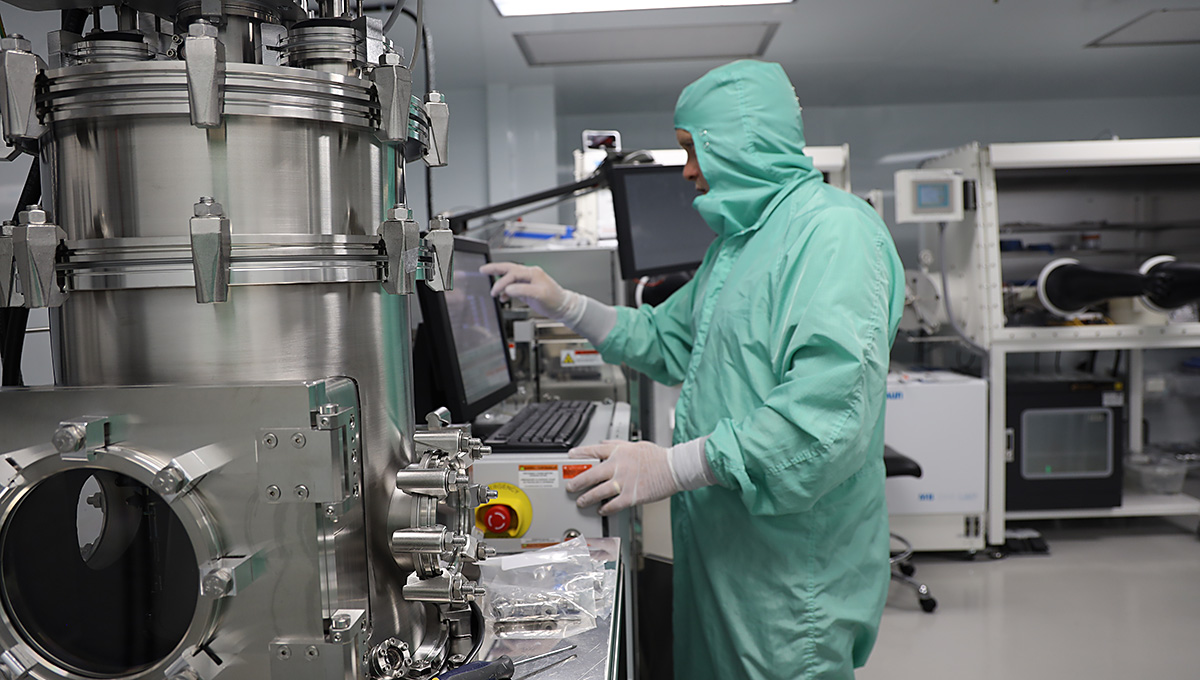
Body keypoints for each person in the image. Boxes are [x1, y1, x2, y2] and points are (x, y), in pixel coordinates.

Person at [481, 59, 905, 680]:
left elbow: (826, 423)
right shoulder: (737, 246)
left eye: (691, 149)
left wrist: (673, 466)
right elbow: (665, 338)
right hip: (724, 546)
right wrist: (564, 301)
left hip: (789, 572)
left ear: (739, 142)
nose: (686, 171)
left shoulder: (833, 234)